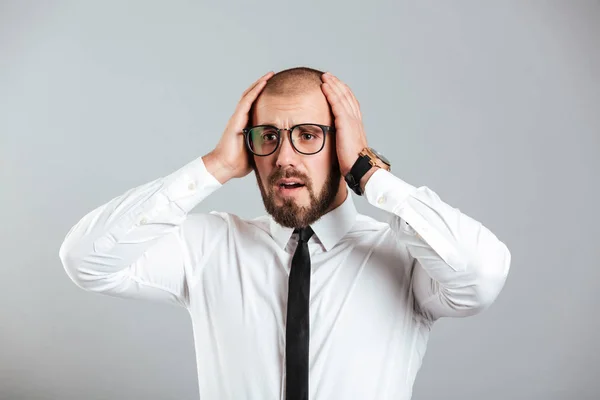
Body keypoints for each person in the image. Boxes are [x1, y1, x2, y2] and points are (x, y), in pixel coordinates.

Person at [59, 67, 511, 400]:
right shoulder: (209, 247)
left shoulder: (404, 256)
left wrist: (369, 173)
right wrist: (214, 166)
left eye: (309, 135)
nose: (284, 157)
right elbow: (85, 259)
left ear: (342, 144)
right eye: (268, 137)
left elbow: (481, 276)